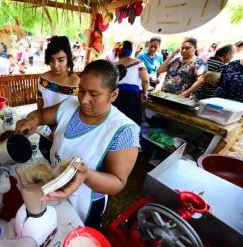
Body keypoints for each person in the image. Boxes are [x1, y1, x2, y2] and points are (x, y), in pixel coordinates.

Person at [15, 59, 140, 228]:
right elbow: (42, 116)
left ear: (114, 95)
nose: (84, 100)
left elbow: (117, 182)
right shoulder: (70, 105)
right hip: (53, 183)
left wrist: (86, 175)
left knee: (74, 233)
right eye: (81, 91)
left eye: (94, 94)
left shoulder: (124, 130)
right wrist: (31, 120)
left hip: (84, 201)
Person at [113, 40, 149, 125]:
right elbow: (145, 80)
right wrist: (145, 93)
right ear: (131, 50)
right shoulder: (138, 63)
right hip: (132, 96)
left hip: (116, 95)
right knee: (131, 122)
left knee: (117, 121)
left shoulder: (113, 65)